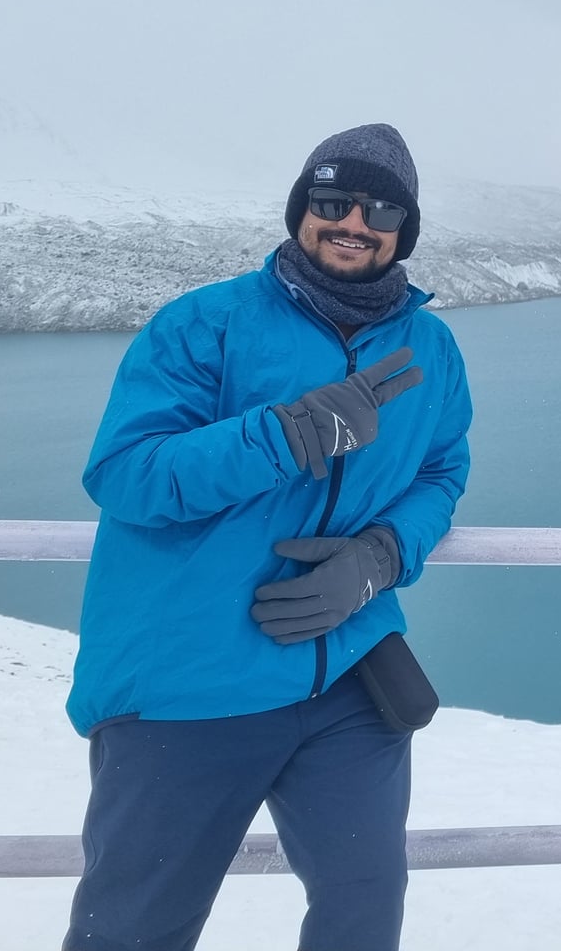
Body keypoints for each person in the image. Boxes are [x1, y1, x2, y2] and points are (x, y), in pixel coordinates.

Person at [63, 124, 473, 951]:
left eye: (380, 208)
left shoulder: (430, 347)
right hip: (188, 684)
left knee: (363, 911)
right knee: (134, 928)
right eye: (331, 201)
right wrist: (287, 432)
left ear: (404, 229)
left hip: (349, 678)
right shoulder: (203, 325)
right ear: (301, 209)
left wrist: (381, 557)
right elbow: (128, 475)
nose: (353, 221)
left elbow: (441, 473)